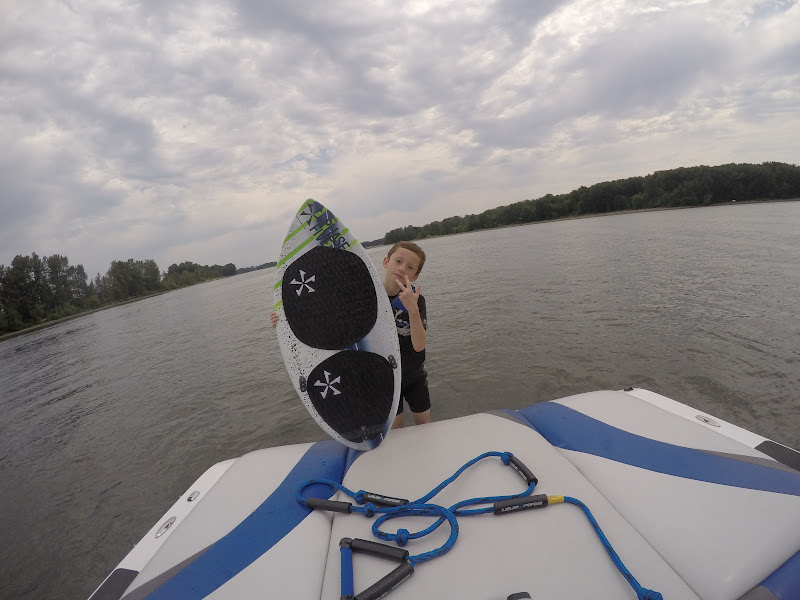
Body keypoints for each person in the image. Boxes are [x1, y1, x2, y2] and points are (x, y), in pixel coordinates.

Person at [270, 241, 430, 429]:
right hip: (384, 375)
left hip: (414, 375)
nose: (402, 268)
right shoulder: (367, 296)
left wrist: (413, 311)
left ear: (415, 275)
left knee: (424, 424)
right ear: (386, 262)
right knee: (396, 428)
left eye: (410, 267)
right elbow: (329, 315)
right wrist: (283, 321)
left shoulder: (416, 301)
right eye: (398, 261)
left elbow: (419, 345)